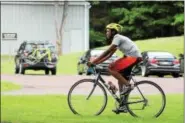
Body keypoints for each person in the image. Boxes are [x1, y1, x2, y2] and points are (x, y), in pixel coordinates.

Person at [87, 23, 142, 113]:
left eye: (108, 31)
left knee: (111, 68)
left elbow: (107, 51)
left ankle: (129, 86)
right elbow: (109, 55)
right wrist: (96, 63)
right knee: (120, 81)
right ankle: (123, 106)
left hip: (133, 57)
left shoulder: (117, 37)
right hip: (131, 57)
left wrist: (94, 61)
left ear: (113, 32)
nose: (106, 33)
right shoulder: (116, 40)